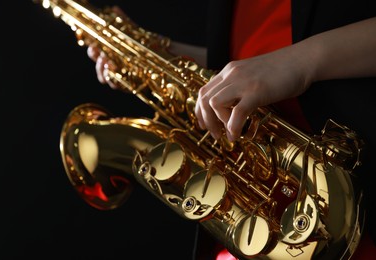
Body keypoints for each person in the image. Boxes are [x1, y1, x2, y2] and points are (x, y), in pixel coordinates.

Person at [87, 0, 376, 259]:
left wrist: (301, 61)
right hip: (262, 215)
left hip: (350, 203)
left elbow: (278, 63)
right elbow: (247, 60)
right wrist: (157, 52)